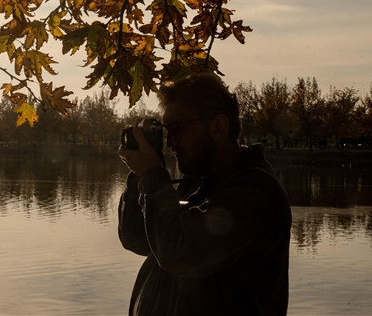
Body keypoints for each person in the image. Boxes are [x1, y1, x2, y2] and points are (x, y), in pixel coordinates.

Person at [117, 73, 291, 315]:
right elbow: (137, 239)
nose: (170, 142)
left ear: (218, 126)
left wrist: (152, 176)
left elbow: (177, 253)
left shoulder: (255, 190)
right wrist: (140, 177)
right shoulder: (200, 180)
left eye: (177, 128)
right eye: (167, 130)